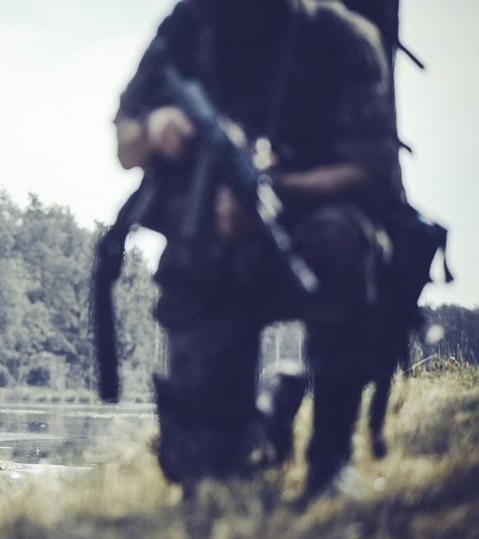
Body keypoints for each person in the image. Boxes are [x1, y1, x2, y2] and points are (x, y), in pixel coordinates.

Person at [114, 0, 411, 498]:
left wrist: (277, 191)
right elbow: (125, 145)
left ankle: (330, 458)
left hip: (308, 240)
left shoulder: (342, 36)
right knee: (209, 482)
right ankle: (269, 411)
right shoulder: (189, 23)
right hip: (208, 254)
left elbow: (373, 168)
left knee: (343, 238)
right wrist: (155, 127)